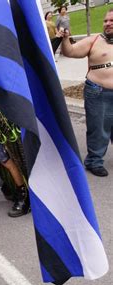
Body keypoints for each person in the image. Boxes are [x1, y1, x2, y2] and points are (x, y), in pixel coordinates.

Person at [60, 9, 113, 177]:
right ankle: (94, 161)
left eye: (111, 21)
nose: (107, 23)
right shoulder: (95, 40)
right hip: (98, 91)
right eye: (106, 21)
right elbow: (70, 52)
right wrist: (65, 39)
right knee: (98, 128)